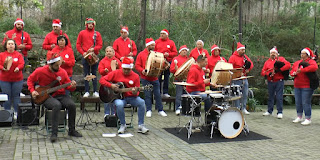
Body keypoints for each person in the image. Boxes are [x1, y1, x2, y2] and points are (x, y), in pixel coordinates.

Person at [27, 51, 82, 143]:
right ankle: (54, 133)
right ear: (50, 65)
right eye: (56, 65)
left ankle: (72, 130)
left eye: (59, 65)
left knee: (72, 105)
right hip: (46, 96)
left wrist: (72, 86)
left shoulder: (62, 72)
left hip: (60, 94)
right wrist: (33, 91)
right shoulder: (40, 71)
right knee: (57, 105)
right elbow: (30, 80)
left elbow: (68, 86)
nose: (58, 67)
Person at [100, 57, 149, 134]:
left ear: (131, 69)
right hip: (119, 98)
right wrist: (111, 86)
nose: (126, 71)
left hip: (131, 97)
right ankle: (123, 124)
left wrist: (134, 92)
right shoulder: (116, 73)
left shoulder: (135, 76)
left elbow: (137, 93)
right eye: (124, 69)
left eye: (128, 69)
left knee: (141, 102)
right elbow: (102, 80)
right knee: (119, 104)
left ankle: (141, 125)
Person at [135, 38, 167, 117]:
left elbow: (160, 64)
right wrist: (142, 70)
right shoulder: (141, 54)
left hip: (155, 78)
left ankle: (160, 110)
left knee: (158, 94)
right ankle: (149, 110)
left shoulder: (157, 54)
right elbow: (137, 65)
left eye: (154, 45)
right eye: (152, 45)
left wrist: (164, 66)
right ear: (148, 45)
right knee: (147, 94)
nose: (153, 46)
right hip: (145, 78)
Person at [3, 18, 33, 97]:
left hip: (22, 56)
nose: (19, 26)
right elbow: (4, 44)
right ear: (15, 24)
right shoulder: (9, 33)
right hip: (9, 56)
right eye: (18, 24)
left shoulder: (25, 34)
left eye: (21, 25)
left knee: (20, 73)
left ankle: (19, 90)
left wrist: (24, 46)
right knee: (9, 71)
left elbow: (30, 46)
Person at [290, 47, 318, 125]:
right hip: (297, 85)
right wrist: (293, 73)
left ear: (307, 55)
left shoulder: (311, 61)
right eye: (301, 53)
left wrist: (302, 70)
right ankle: (299, 116)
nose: (301, 55)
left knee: (305, 102)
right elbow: (292, 71)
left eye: (303, 54)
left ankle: (308, 118)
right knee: (298, 102)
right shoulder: (297, 62)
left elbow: (314, 67)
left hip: (307, 85)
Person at [76, 18, 103, 97]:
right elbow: (78, 45)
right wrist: (83, 53)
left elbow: (100, 45)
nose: (90, 25)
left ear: (94, 25)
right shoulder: (82, 33)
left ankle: (95, 91)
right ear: (86, 24)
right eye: (89, 24)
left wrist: (94, 49)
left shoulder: (97, 34)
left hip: (94, 55)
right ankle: (87, 91)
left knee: (94, 73)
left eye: (92, 24)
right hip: (85, 56)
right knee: (86, 73)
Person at [261, 47, 291, 119]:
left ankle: (279, 112)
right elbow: (263, 72)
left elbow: (288, 65)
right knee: (270, 96)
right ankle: (269, 110)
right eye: (271, 53)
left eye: (274, 53)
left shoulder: (281, 59)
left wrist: (279, 70)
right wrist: (269, 73)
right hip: (270, 81)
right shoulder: (267, 62)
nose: (273, 54)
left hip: (279, 80)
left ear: (277, 54)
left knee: (279, 97)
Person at [0, 39, 24, 119]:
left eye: (12, 44)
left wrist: (18, 68)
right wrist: (2, 68)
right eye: (9, 44)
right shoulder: (2, 55)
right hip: (5, 80)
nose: (10, 45)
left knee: (16, 96)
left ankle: (17, 112)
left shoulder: (18, 55)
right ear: (6, 46)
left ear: (14, 46)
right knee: (7, 96)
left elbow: (21, 64)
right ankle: (7, 113)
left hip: (17, 80)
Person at [228, 42, 253, 115]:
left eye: (244, 50)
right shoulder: (233, 57)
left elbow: (251, 64)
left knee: (245, 93)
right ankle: (237, 107)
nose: (243, 51)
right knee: (236, 94)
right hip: (236, 79)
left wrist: (248, 69)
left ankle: (244, 108)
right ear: (238, 50)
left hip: (244, 78)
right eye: (242, 50)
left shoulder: (245, 57)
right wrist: (238, 73)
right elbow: (230, 68)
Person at [98, 46, 122, 117]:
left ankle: (114, 113)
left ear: (113, 53)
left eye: (110, 51)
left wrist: (117, 67)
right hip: (106, 82)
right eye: (107, 51)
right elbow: (100, 71)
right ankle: (107, 113)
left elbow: (121, 70)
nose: (108, 53)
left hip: (114, 82)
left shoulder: (117, 61)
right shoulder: (103, 61)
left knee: (114, 97)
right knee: (107, 98)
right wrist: (104, 71)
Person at [155, 29, 177, 98]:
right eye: (161, 33)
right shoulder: (156, 42)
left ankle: (165, 92)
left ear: (167, 35)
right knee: (158, 77)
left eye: (163, 34)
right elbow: (153, 52)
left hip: (168, 62)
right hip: (159, 61)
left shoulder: (171, 42)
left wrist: (169, 54)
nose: (161, 35)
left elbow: (175, 53)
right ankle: (157, 92)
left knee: (166, 77)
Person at [169, 45, 189, 115]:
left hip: (187, 80)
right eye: (183, 50)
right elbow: (171, 70)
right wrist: (175, 68)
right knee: (179, 94)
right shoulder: (176, 59)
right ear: (180, 51)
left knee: (186, 95)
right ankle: (178, 108)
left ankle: (186, 109)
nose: (184, 52)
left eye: (186, 51)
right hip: (179, 79)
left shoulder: (188, 60)